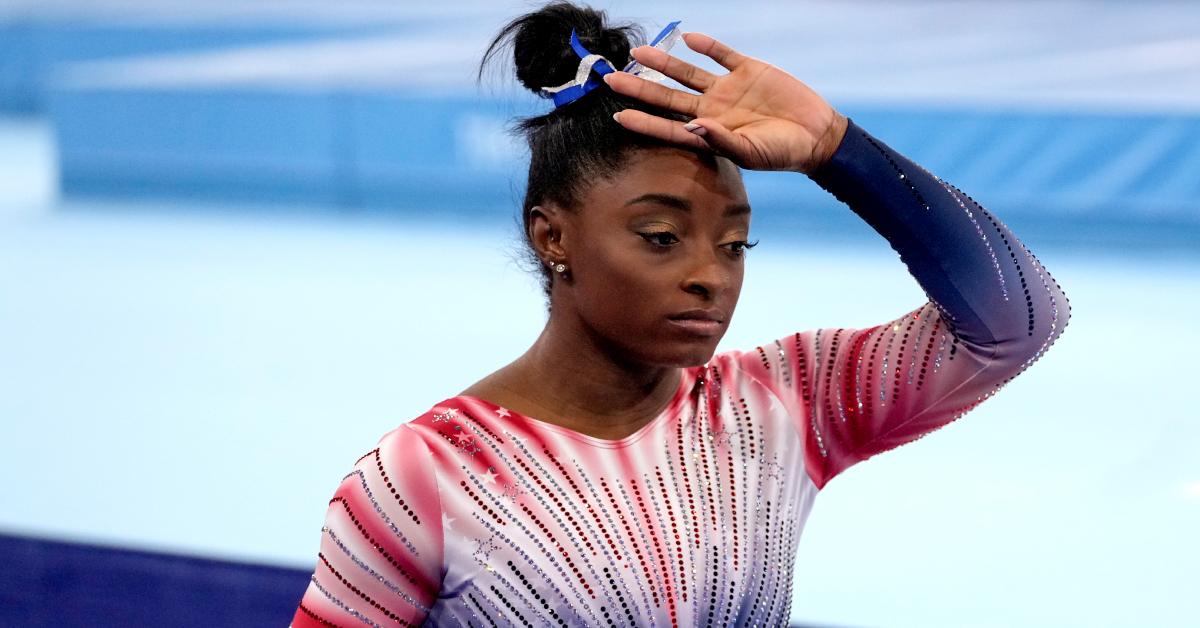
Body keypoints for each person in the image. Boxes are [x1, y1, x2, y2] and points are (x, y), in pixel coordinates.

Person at [290, 3, 1071, 626]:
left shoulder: (779, 404)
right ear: (550, 233)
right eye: (662, 237)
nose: (710, 277)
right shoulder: (423, 475)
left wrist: (839, 150)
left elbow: (1021, 319)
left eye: (736, 244)